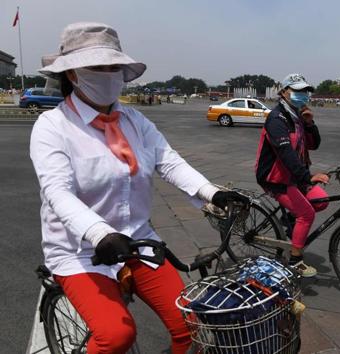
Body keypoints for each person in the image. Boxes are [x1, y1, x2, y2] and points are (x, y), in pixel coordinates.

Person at [31, 22, 244, 354]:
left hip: (138, 240)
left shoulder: (134, 120)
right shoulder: (52, 126)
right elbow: (58, 192)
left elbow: (168, 160)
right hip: (81, 251)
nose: (109, 74)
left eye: (113, 66)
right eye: (97, 67)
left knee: (190, 326)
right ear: (72, 74)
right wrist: (99, 232)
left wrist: (211, 192)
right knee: (116, 337)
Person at [255, 73, 329, 277]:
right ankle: (295, 260)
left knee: (321, 200)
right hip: (275, 177)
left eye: (305, 91)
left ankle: (290, 219)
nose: (303, 95)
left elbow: (313, 145)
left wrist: (309, 123)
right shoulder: (276, 119)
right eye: (298, 91)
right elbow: (285, 152)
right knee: (307, 213)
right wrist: (307, 176)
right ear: (284, 92)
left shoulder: (296, 116)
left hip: (293, 176)